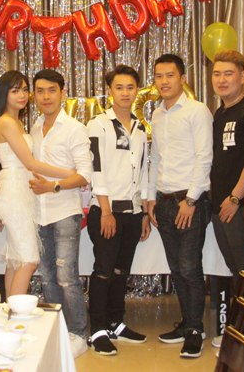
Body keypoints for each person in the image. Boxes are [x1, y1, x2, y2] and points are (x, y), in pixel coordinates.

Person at [0, 71, 76, 298]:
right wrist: (69, 174)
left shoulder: (14, 122)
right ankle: (17, 312)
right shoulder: (7, 122)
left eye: (25, 90)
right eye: (15, 90)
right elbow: (30, 163)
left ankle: (9, 309)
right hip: (15, 190)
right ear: (4, 94)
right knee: (28, 260)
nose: (22, 95)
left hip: (19, 188)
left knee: (16, 259)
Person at [147, 53, 213, 359]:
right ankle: (187, 323)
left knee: (189, 266)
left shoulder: (197, 111)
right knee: (176, 268)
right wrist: (151, 198)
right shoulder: (157, 114)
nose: (164, 81)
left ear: (182, 78)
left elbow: (204, 156)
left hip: (190, 202)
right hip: (164, 202)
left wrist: (192, 199)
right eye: (159, 76)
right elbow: (155, 158)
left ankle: (196, 330)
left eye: (170, 75)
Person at [27, 69, 93, 358]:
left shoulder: (74, 128)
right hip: (38, 213)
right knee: (47, 276)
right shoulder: (34, 127)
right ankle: (57, 329)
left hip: (64, 211)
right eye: (40, 91)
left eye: (51, 90)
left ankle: (79, 333)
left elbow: (85, 174)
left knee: (67, 277)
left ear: (63, 93)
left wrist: (53, 186)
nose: (46, 97)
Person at [85, 65, 150, 356]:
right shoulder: (98, 124)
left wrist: (144, 212)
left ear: (137, 91)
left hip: (133, 212)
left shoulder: (140, 127)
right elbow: (95, 168)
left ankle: (116, 322)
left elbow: (144, 170)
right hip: (106, 211)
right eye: (119, 87)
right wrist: (106, 210)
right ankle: (97, 329)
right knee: (103, 271)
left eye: (130, 87)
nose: (125, 93)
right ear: (110, 91)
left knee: (121, 271)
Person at [209, 50, 244, 348]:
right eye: (217, 74)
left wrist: (235, 197)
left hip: (238, 207)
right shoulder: (220, 113)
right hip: (220, 206)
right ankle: (239, 333)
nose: (222, 79)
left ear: (242, 76)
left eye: (228, 73)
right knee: (235, 271)